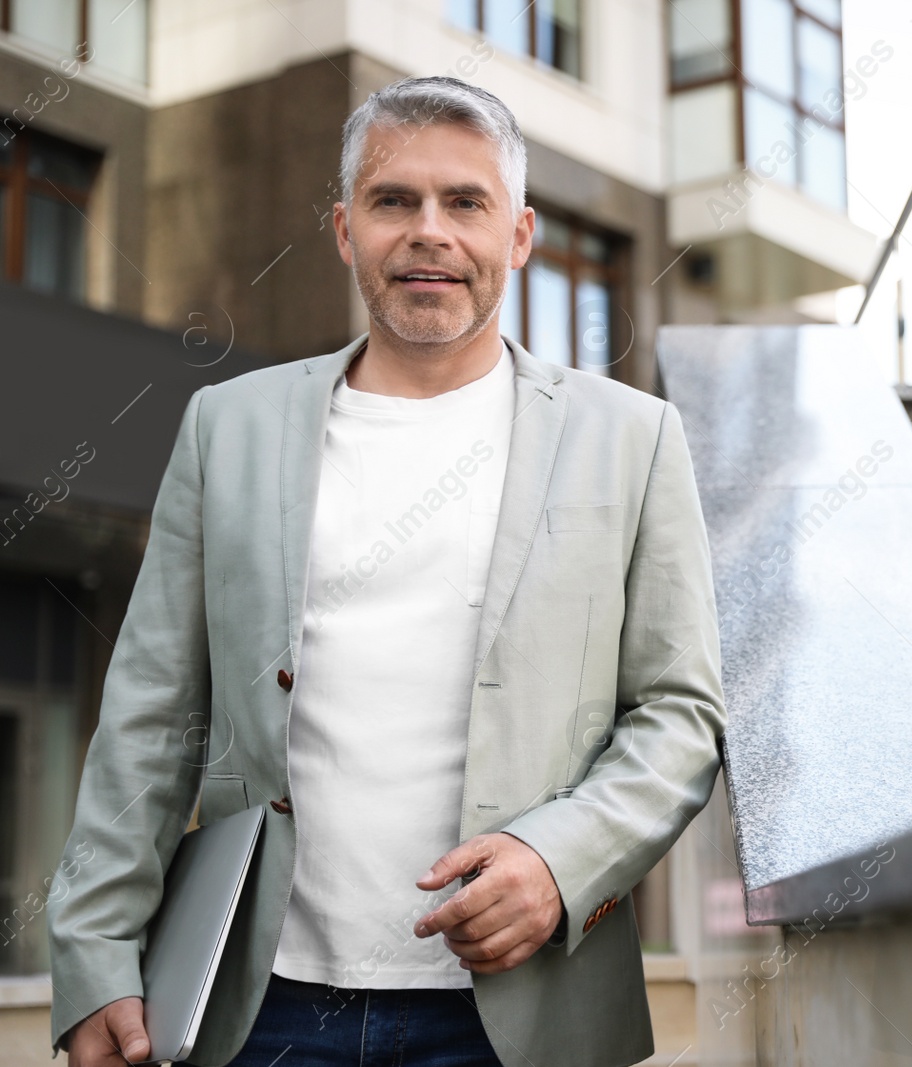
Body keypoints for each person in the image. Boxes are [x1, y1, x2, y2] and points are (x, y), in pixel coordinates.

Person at [47, 75, 726, 1067]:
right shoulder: (227, 428)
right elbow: (150, 711)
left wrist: (559, 859)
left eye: (465, 202)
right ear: (343, 228)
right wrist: (96, 949)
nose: (428, 231)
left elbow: (681, 710)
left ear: (521, 234)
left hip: (522, 1006)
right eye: (392, 200)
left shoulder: (634, 436)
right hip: (262, 1002)